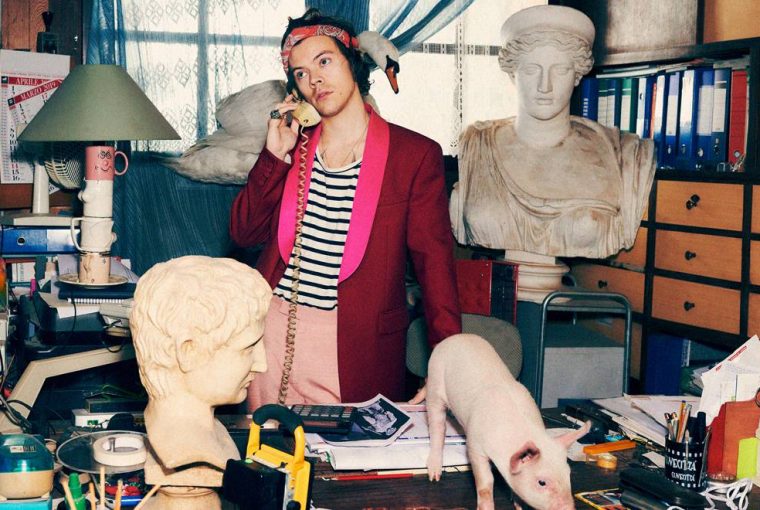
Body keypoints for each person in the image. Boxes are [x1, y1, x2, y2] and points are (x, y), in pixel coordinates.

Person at [229, 9, 461, 409]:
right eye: (300, 73)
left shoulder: (414, 155)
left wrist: (449, 366)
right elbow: (243, 233)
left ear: (352, 62)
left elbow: (435, 267)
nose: (314, 79)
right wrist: (274, 156)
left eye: (324, 61)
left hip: (356, 348)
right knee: (267, 444)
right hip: (274, 335)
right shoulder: (292, 146)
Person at [450, 4, 655, 260]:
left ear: (577, 75)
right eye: (531, 70)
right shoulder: (477, 143)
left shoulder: (623, 153)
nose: (544, 86)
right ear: (513, 74)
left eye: (560, 70)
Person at [130, 255, 271, 494]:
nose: (262, 365)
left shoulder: (215, 433)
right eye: (248, 348)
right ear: (189, 351)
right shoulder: (181, 452)